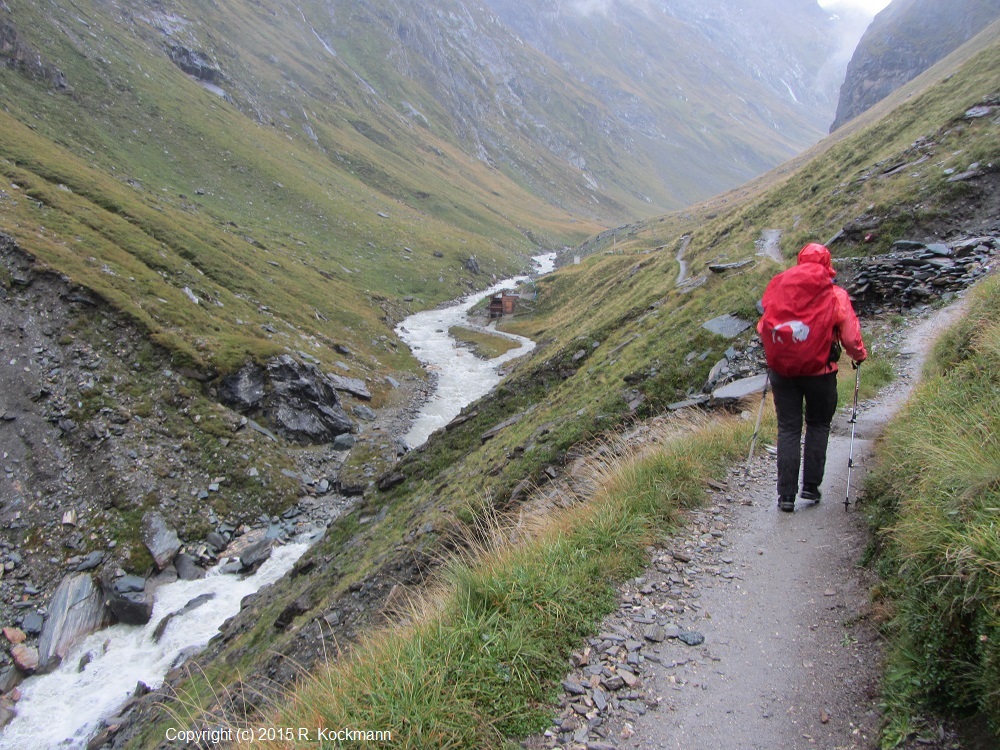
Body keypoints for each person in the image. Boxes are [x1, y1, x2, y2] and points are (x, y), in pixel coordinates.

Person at [757, 243, 867, 513]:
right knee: (818, 424)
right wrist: (859, 355)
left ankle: (785, 496)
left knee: (789, 429)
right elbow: (851, 337)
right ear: (827, 263)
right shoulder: (834, 294)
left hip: (783, 372)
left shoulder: (780, 289)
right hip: (820, 373)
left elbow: (764, 325)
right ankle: (810, 487)